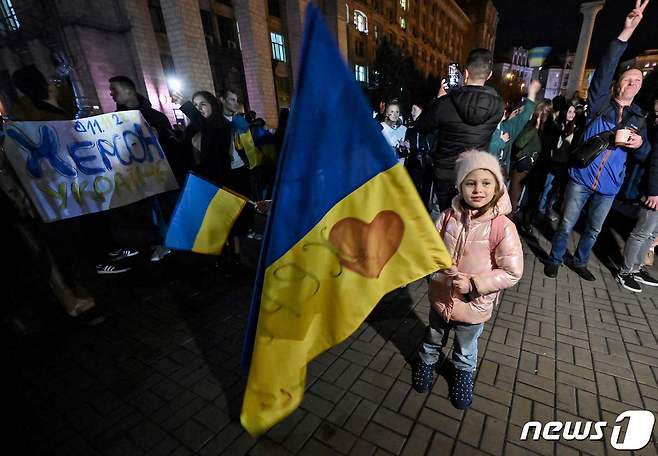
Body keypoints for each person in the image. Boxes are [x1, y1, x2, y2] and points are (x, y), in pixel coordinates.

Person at [544, 0, 651, 281]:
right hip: (581, 177)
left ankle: (580, 261)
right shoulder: (600, 102)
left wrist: (640, 145)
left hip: (610, 186)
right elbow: (606, 65)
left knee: (593, 229)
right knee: (567, 223)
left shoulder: (638, 117)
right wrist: (626, 32)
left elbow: (645, 154)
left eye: (637, 82)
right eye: (628, 79)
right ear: (617, 84)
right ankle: (555, 258)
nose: (632, 84)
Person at [411, 150, 523, 409]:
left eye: (486, 183)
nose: (478, 190)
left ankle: (463, 374)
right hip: (440, 297)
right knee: (433, 336)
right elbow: (431, 248)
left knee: (465, 346)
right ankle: (427, 363)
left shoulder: (502, 227)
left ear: (497, 186)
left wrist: (474, 284)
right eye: (470, 183)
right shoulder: (447, 216)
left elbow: (512, 272)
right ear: (460, 185)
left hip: (474, 305)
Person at [5, 65, 104, 325]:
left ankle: (80, 297)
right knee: (70, 247)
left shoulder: (18, 116)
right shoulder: (48, 116)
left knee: (62, 250)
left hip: (43, 197)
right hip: (62, 193)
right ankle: (85, 300)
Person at [415, 48, 505, 211]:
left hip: (445, 175)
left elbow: (422, 126)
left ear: (465, 72)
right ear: (489, 75)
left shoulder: (446, 102)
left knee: (447, 218)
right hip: (473, 173)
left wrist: (438, 99)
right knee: (468, 222)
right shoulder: (498, 106)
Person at [617, 96, 658, 292]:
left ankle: (636, 268)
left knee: (652, 235)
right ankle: (625, 272)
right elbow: (655, 161)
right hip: (655, 192)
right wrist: (654, 191)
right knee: (642, 232)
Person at [536, 102, 585, 220]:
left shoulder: (574, 127)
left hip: (564, 163)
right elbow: (555, 145)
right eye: (569, 111)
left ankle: (548, 209)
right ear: (564, 112)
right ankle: (540, 210)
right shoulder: (558, 125)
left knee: (555, 190)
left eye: (573, 112)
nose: (572, 114)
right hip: (553, 161)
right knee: (547, 187)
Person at [488, 80, 542, 178]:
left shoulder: (506, 128)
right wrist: (499, 142)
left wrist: (532, 92)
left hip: (501, 180)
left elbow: (524, 116)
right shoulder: (483, 128)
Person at [508, 100, 553, 215]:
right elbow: (520, 143)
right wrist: (535, 127)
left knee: (526, 199)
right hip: (522, 166)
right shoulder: (530, 124)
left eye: (548, 111)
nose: (545, 114)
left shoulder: (546, 128)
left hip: (535, 168)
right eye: (543, 110)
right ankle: (507, 221)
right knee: (513, 197)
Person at [404, 103, 433, 207]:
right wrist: (405, 147)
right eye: (412, 110)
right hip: (413, 163)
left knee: (424, 191)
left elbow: (431, 145)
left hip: (424, 164)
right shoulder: (411, 128)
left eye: (414, 109)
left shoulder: (428, 127)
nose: (412, 113)